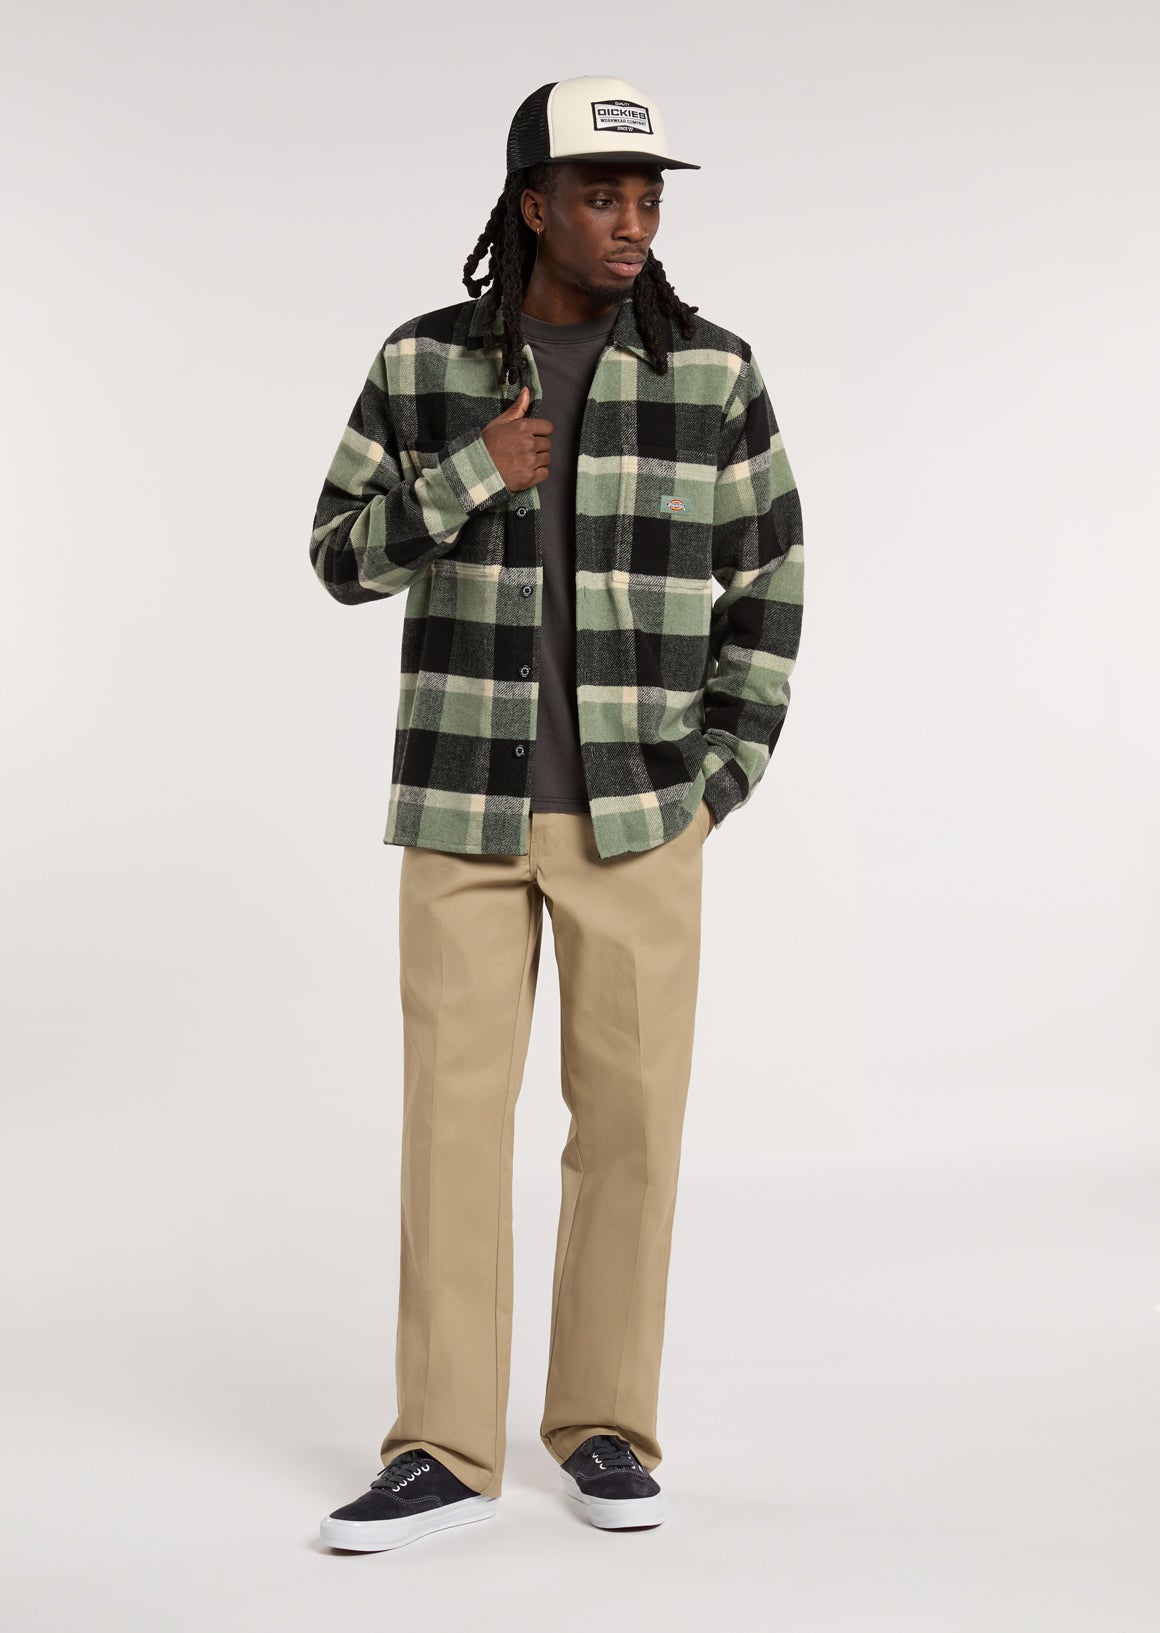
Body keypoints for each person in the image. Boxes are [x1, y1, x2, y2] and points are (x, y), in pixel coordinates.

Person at [307, 74, 804, 1552]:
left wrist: (716, 784)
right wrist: (471, 472)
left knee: (631, 1128)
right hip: (461, 809)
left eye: (647, 198)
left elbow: (770, 583)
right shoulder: (422, 363)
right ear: (533, 206)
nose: (632, 222)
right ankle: (443, 1450)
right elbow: (338, 557)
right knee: (452, 1130)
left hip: (641, 817)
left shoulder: (713, 374)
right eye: (601, 197)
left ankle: (604, 1426)